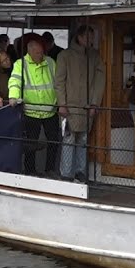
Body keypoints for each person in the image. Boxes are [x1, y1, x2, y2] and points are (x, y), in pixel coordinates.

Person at [55, 24, 106, 182]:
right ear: (79, 37)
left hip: (86, 106)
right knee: (69, 139)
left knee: (83, 140)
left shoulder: (94, 57)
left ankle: (80, 173)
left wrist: (94, 104)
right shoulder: (65, 56)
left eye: (92, 37)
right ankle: (66, 175)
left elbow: (100, 81)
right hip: (69, 106)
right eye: (88, 37)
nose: (90, 41)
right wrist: (62, 104)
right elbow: (59, 82)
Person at [9, 35, 60, 175]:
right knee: (31, 144)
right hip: (31, 111)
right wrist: (13, 96)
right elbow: (15, 81)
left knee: (54, 142)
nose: (40, 55)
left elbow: (58, 83)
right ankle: (30, 171)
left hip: (50, 110)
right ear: (29, 51)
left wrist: (61, 102)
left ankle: (50, 170)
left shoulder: (50, 62)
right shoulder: (20, 64)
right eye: (37, 52)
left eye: (41, 51)